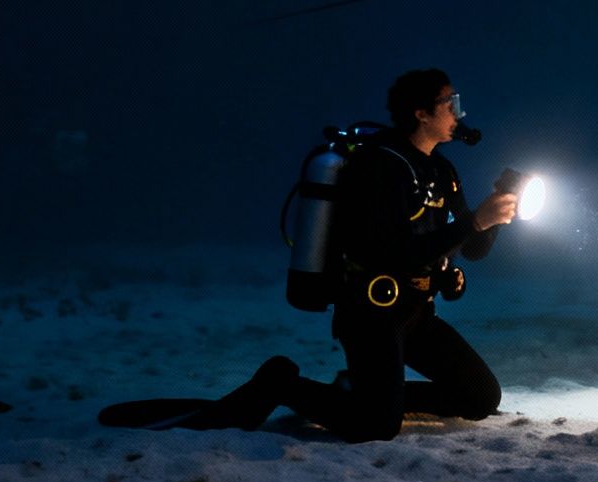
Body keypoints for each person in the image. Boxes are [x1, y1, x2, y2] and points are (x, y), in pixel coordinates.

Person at [97, 69, 518, 441]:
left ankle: (362, 391)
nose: (458, 114)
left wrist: (497, 208)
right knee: (375, 427)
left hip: (418, 314)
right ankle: (283, 385)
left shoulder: (442, 171)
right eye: (450, 103)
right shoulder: (379, 165)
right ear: (421, 113)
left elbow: (475, 247)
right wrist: (473, 223)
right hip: (373, 314)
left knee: (480, 396)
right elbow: (394, 254)